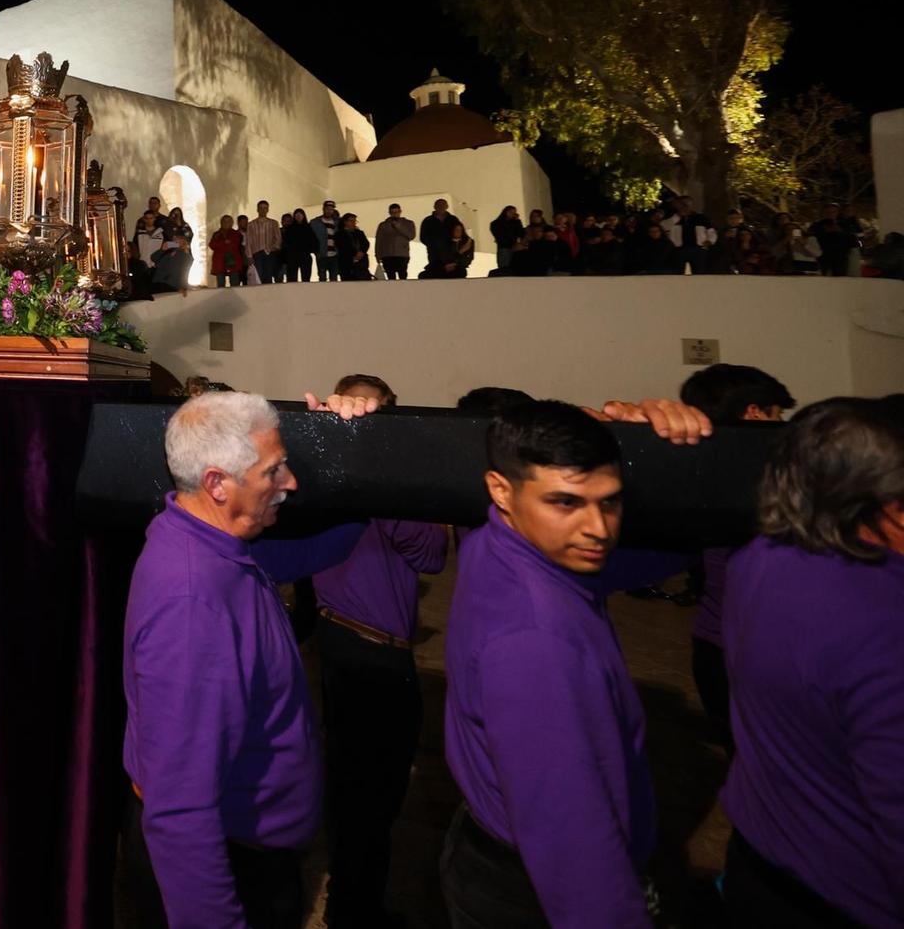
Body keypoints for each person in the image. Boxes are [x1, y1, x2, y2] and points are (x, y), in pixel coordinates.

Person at [441, 397, 712, 929]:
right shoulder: (535, 641)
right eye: (566, 503)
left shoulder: (503, 538)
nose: (597, 528)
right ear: (501, 489)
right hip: (533, 889)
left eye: (610, 503)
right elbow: (570, 835)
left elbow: (672, 552)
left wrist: (652, 450)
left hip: (492, 852)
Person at [122, 389, 381, 928]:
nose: (290, 483)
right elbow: (180, 811)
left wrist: (346, 447)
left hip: (255, 849)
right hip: (231, 864)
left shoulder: (213, 542)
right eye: (275, 471)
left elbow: (326, 547)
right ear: (218, 483)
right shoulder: (193, 604)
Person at [719, 398, 904, 928]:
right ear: (879, 503)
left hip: (761, 865)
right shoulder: (885, 623)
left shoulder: (760, 559)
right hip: (853, 900)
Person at [310, 374, 447, 928]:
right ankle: (355, 914)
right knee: (368, 799)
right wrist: (376, 467)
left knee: (361, 797)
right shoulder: (342, 473)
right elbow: (431, 550)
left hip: (360, 646)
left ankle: (353, 905)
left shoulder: (371, 474)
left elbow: (430, 553)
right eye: (373, 417)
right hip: (364, 652)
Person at [678, 363, 793, 754]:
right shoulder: (780, 482)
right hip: (769, 655)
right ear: (755, 412)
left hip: (713, 647)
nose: (782, 424)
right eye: (779, 413)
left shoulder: (694, 468)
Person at [664, 196, 716, 274]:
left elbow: (711, 231)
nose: (685, 206)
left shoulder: (700, 218)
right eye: (683, 204)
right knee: (678, 273)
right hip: (679, 250)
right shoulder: (672, 217)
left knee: (699, 273)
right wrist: (678, 216)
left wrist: (710, 241)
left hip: (698, 249)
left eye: (687, 204)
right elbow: (664, 227)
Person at [807, 203, 862, 277]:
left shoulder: (845, 224)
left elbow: (854, 239)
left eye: (833, 212)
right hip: (824, 256)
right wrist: (824, 232)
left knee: (840, 278)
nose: (830, 214)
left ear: (838, 212)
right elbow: (811, 237)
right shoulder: (817, 224)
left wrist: (841, 231)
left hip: (841, 256)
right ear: (824, 213)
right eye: (828, 212)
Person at [373, 205, 414, 281]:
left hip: (402, 254)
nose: (394, 214)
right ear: (389, 213)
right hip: (387, 255)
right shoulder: (383, 225)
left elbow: (411, 236)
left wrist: (399, 227)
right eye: (392, 212)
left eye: (396, 212)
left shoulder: (408, 223)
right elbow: (379, 240)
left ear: (400, 212)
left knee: (403, 275)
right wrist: (377, 254)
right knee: (390, 276)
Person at [245, 202, 282, 284]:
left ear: (268, 209)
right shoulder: (251, 224)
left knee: (268, 276)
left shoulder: (273, 223)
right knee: (258, 277)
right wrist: (249, 256)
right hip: (256, 254)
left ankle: (268, 295)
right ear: (257, 209)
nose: (263, 210)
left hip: (269, 254)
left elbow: (278, 239)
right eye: (261, 208)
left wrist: (269, 249)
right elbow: (248, 241)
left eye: (265, 208)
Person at [208, 215, 245, 288]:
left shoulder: (236, 234)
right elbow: (212, 245)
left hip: (234, 262)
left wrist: (222, 244)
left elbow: (235, 245)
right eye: (224, 221)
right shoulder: (216, 234)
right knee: (220, 286)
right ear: (221, 223)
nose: (226, 223)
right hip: (220, 263)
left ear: (231, 223)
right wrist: (224, 242)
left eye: (228, 221)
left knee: (235, 285)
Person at [419, 201, 455, 276]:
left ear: (447, 206)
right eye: (439, 205)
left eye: (443, 205)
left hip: (451, 254)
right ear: (434, 207)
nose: (441, 207)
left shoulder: (453, 220)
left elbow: (459, 233)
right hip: (434, 254)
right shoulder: (428, 220)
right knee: (435, 273)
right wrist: (433, 245)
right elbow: (423, 237)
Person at [281, 209, 316, 283]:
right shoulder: (290, 229)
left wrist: (311, 250)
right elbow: (286, 243)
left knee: (306, 279)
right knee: (292, 279)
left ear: (303, 216)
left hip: (305, 256)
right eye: (296, 215)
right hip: (293, 257)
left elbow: (314, 241)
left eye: (300, 215)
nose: (298, 217)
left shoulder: (308, 228)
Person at [336, 213, 372, 281]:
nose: (353, 223)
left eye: (354, 221)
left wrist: (361, 252)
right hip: (347, 263)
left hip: (361, 263)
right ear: (345, 222)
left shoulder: (359, 233)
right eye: (351, 221)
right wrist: (354, 255)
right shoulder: (339, 234)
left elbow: (366, 244)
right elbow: (343, 247)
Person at [313, 201, 342, 282]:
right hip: (321, 255)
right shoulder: (315, 223)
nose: (329, 211)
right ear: (323, 209)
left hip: (334, 255)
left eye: (331, 209)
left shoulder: (338, 223)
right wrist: (316, 251)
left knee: (334, 278)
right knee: (322, 278)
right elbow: (311, 238)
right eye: (327, 209)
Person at [489, 206, 524, 275]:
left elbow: (521, 233)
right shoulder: (496, 223)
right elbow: (500, 235)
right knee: (504, 269)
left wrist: (517, 222)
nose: (512, 214)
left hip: (514, 248)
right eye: (510, 212)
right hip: (504, 248)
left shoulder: (515, 223)